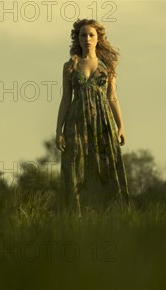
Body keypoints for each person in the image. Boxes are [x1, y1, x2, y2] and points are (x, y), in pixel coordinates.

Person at [55, 19, 131, 217]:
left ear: (98, 38)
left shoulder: (108, 66)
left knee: (105, 168)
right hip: (76, 123)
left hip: (103, 123)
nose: (87, 39)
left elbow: (112, 97)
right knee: (76, 169)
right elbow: (65, 98)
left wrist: (121, 126)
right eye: (83, 35)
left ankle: (110, 218)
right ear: (77, 38)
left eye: (91, 35)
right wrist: (59, 131)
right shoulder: (70, 66)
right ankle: (76, 219)